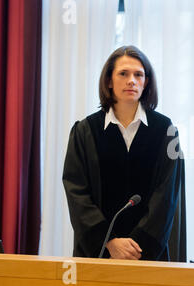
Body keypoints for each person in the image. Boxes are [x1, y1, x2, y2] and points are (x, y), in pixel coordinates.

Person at [63, 45, 182, 261]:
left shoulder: (165, 131)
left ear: (146, 82)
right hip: (97, 253)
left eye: (139, 74)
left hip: (147, 255)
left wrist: (136, 247)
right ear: (109, 80)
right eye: (123, 74)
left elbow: (166, 196)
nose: (132, 80)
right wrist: (109, 241)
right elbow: (76, 191)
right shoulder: (85, 130)